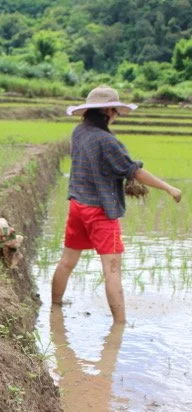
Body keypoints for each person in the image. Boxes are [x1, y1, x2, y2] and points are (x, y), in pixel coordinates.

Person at [51, 85, 182, 323]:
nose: (116, 115)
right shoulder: (106, 140)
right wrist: (168, 187)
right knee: (112, 269)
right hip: (100, 212)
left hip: (78, 206)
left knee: (67, 261)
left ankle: (55, 307)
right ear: (108, 110)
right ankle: (120, 325)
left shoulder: (79, 132)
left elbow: (99, 167)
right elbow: (134, 171)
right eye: (115, 111)